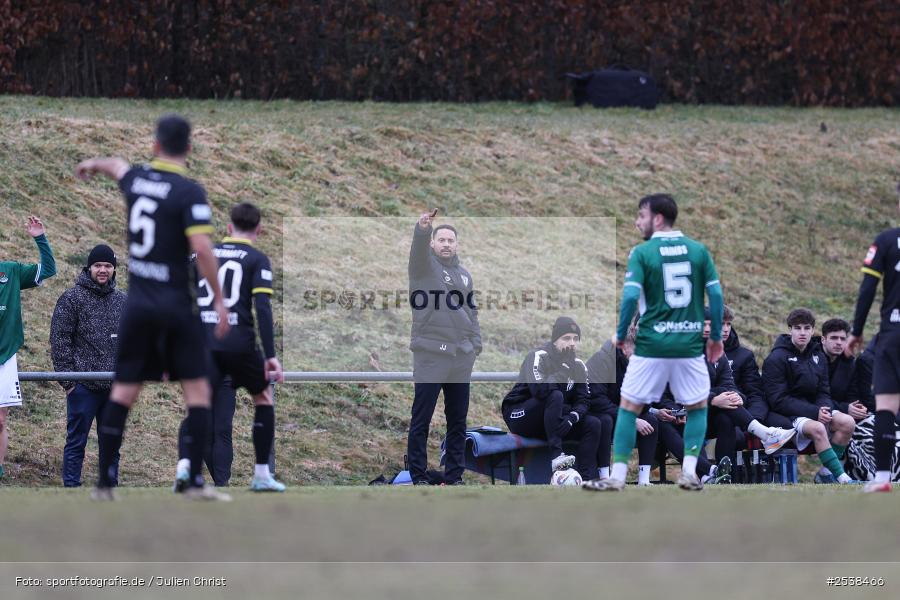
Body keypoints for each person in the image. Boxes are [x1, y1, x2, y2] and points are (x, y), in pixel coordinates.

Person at [75, 113, 231, 501]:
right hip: (176, 307)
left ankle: (104, 484)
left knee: (124, 392)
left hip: (139, 306)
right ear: (188, 148)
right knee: (197, 392)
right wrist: (221, 300)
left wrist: (92, 164)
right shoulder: (189, 192)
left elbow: (116, 166)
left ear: (156, 144)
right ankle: (193, 481)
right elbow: (201, 249)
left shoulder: (138, 179)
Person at [583, 193, 724, 492]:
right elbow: (716, 296)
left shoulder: (643, 252)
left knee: (627, 409)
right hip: (687, 345)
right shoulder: (699, 251)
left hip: (651, 345)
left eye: (641, 216)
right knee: (698, 408)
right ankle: (689, 473)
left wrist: (621, 335)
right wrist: (714, 338)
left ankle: (617, 478)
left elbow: (631, 297)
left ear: (657, 218)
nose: (637, 222)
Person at [174, 202, 286, 492]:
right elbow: (262, 308)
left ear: (228, 227)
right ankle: (262, 474)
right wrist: (271, 356)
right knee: (263, 398)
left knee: (196, 408)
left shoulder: (202, 255)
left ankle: (185, 469)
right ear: (259, 229)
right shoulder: (257, 258)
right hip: (239, 343)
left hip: (205, 344)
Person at [407, 211, 481, 485]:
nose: (447, 244)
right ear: (433, 244)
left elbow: (472, 313)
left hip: (460, 357)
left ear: (457, 244)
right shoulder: (423, 267)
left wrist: (475, 346)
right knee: (421, 418)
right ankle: (418, 476)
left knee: (458, 422)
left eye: (451, 240)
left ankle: (454, 476)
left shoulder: (464, 275)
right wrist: (422, 230)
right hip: (430, 354)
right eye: (442, 239)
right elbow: (417, 253)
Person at [50, 244, 125, 487]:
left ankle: (109, 486)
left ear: (114, 269)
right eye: (98, 265)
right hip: (82, 387)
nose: (103, 270)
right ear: (89, 267)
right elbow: (60, 340)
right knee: (76, 441)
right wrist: (69, 382)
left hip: (114, 387)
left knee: (112, 442)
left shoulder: (123, 301)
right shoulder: (72, 298)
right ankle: (71, 487)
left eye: (108, 266)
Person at [761, 308, 857, 484]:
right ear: (790, 329)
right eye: (798, 328)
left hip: (814, 410)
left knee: (848, 422)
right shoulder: (776, 358)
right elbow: (778, 400)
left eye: (807, 328)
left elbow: (823, 391)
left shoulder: (818, 356)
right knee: (818, 428)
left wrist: (824, 409)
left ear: (813, 330)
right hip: (788, 415)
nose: (802, 333)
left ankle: (826, 474)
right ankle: (843, 479)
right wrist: (815, 413)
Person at [846, 186, 900, 492]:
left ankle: (882, 479)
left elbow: (867, 289)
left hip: (894, 334)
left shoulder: (887, 240)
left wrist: (856, 331)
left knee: (885, 408)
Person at [502, 317, 601, 480]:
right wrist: (564, 370)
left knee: (593, 423)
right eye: (566, 338)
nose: (572, 343)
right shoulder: (538, 356)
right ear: (555, 340)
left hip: (550, 421)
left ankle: (587, 478)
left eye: (576, 339)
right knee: (555, 395)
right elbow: (540, 390)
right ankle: (556, 456)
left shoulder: (578, 366)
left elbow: (583, 401)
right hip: (520, 416)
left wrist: (571, 417)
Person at [0, 216, 56, 479]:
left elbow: (47, 270)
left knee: (0, 421)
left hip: (4, 357)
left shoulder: (9, 271)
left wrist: (40, 238)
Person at [703, 307, 795, 467]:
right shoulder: (689, 352)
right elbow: (685, 389)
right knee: (728, 416)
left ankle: (723, 475)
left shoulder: (739, 355)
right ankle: (764, 434)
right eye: (719, 324)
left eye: (728, 324)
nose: (725, 329)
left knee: (726, 419)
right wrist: (715, 398)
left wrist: (740, 400)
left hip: (733, 410)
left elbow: (753, 393)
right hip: (695, 409)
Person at [585, 329, 658, 485]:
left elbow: (644, 407)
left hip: (621, 412)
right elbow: (597, 400)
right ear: (625, 347)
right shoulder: (602, 360)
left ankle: (644, 480)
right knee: (605, 421)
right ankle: (604, 475)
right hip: (599, 412)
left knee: (651, 420)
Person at [820, 318, 871, 420]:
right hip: (818, 414)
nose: (839, 342)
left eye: (843, 339)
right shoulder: (811, 359)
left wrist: (857, 408)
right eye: (834, 338)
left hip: (840, 412)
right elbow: (811, 397)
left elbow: (852, 395)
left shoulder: (849, 363)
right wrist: (845, 408)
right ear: (823, 340)